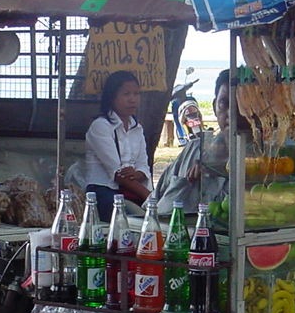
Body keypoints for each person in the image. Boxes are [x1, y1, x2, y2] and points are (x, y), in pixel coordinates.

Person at [153, 69, 240, 213]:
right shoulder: (193, 150)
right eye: (224, 103)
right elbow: (155, 199)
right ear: (214, 106)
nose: (232, 113)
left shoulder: (266, 162)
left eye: (240, 105)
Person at [85, 70, 152, 221]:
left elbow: (143, 165)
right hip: (104, 191)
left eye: (136, 94)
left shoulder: (137, 128)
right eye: (126, 94)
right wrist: (150, 199)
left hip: (132, 188)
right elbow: (117, 174)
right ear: (112, 97)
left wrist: (136, 174)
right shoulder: (100, 126)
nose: (132, 99)